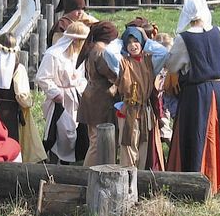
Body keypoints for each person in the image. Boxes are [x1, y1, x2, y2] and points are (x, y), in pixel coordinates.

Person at [165, 0, 220, 194]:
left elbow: (172, 65)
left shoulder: (183, 39)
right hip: (217, 90)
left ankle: (195, 185)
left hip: (196, 93)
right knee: (217, 133)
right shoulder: (218, 32)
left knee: (196, 135)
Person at [104, 26, 169, 170]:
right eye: (129, 42)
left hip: (145, 111)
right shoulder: (121, 63)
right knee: (128, 148)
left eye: (136, 41)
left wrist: (146, 41)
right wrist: (121, 40)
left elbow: (164, 53)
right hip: (128, 111)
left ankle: (137, 183)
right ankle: (127, 183)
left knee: (143, 149)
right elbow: (108, 52)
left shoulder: (150, 62)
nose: (133, 45)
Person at [0, 32, 46, 163]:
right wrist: (28, 103)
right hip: (12, 111)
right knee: (14, 139)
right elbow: (21, 95)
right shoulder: (18, 68)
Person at [36, 21, 89, 164]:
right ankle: (54, 162)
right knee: (61, 133)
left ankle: (71, 164)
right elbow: (42, 77)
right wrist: (56, 94)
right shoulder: (53, 55)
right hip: (59, 100)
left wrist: (82, 90)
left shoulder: (79, 55)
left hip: (75, 98)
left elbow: (81, 76)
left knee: (74, 132)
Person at [76, 21, 120, 167]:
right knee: (97, 141)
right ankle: (87, 174)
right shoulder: (100, 52)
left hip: (91, 96)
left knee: (94, 140)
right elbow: (112, 75)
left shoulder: (93, 48)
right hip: (99, 99)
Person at [153, 32, 175, 146]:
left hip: (168, 98)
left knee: (166, 128)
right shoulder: (155, 66)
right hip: (158, 99)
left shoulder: (171, 69)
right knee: (163, 127)